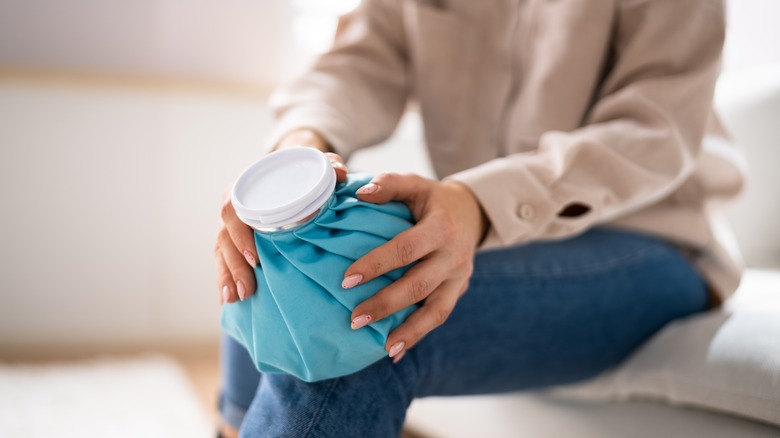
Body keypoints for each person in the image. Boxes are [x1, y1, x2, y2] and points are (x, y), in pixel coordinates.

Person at [214, 0, 745, 436]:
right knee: (274, 267)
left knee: (355, 331)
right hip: (502, 232)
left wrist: (478, 203)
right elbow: (360, 60)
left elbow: (654, 130)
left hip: (649, 239)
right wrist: (297, 157)